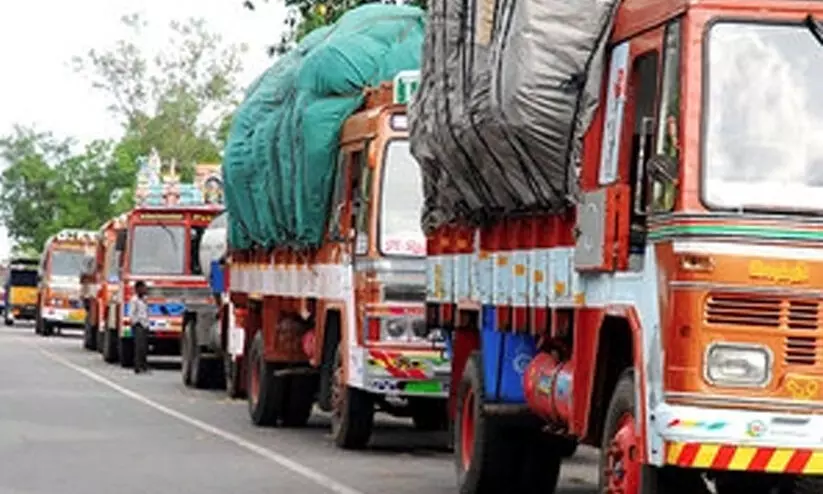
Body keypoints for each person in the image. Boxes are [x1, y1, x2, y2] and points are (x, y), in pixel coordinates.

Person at [130, 280, 150, 373]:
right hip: (138, 326)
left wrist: (147, 324)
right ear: (138, 289)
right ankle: (137, 367)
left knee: (144, 347)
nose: (145, 289)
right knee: (139, 347)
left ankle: (144, 366)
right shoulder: (134, 300)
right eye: (143, 288)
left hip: (145, 325)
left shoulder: (145, 299)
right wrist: (136, 323)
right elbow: (132, 313)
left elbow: (146, 312)